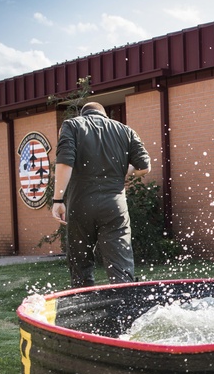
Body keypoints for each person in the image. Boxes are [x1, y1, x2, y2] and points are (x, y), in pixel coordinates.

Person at [51, 102, 151, 288]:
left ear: (84, 113)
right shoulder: (125, 131)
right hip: (115, 206)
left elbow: (65, 161)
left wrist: (58, 199)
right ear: (104, 114)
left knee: (80, 264)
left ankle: (85, 307)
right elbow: (144, 167)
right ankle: (124, 307)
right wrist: (123, 171)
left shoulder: (72, 125)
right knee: (121, 267)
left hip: (80, 205)